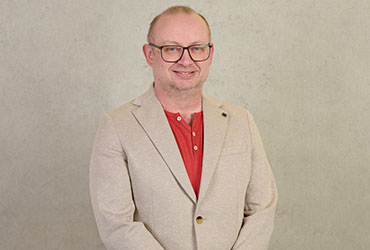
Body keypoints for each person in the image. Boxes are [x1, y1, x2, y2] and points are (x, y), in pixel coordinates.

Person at [89, 6, 278, 250]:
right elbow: (116, 224)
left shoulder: (242, 121)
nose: (186, 60)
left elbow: (262, 208)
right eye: (172, 49)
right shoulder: (116, 126)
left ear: (210, 54)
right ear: (149, 54)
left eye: (197, 48)